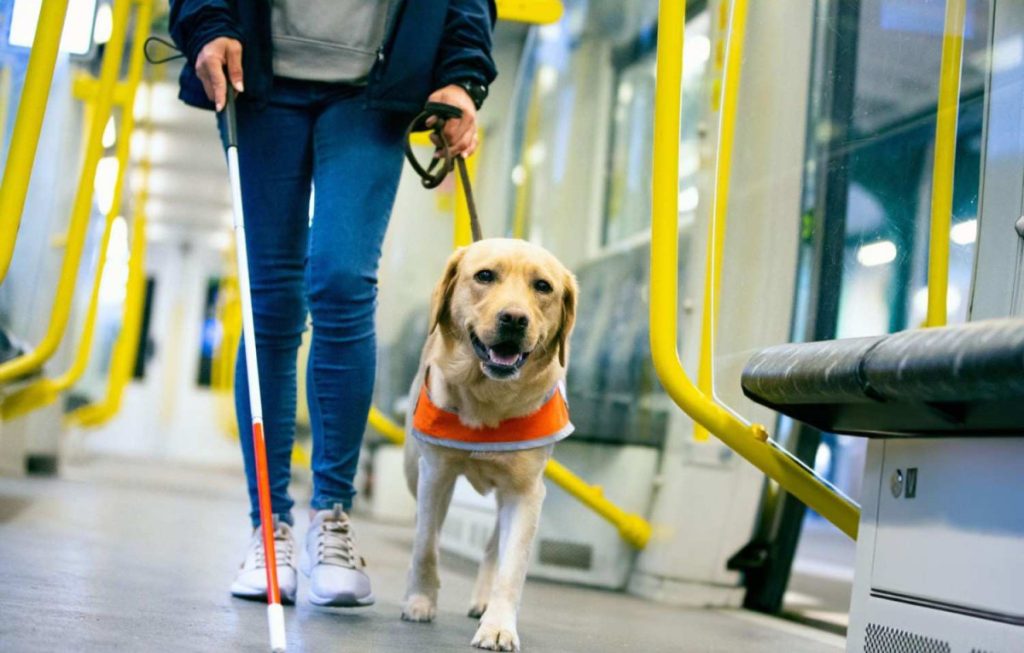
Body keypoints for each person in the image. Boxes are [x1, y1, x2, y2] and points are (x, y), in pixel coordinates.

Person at [168, 0, 497, 607]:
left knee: (344, 281)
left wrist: (461, 72)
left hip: (374, 85)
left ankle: (332, 516)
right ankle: (268, 528)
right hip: (257, 77)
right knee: (271, 300)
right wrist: (208, 25)